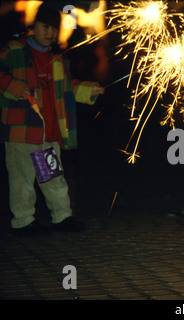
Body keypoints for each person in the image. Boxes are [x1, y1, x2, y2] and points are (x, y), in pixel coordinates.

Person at [0, 3, 104, 236]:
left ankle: (62, 217)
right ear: (33, 26)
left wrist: (88, 90)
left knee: (53, 179)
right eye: (45, 26)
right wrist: (15, 87)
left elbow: (66, 89)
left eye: (54, 28)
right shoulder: (14, 51)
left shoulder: (55, 59)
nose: (50, 33)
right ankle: (23, 221)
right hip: (21, 133)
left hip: (47, 134)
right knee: (22, 180)